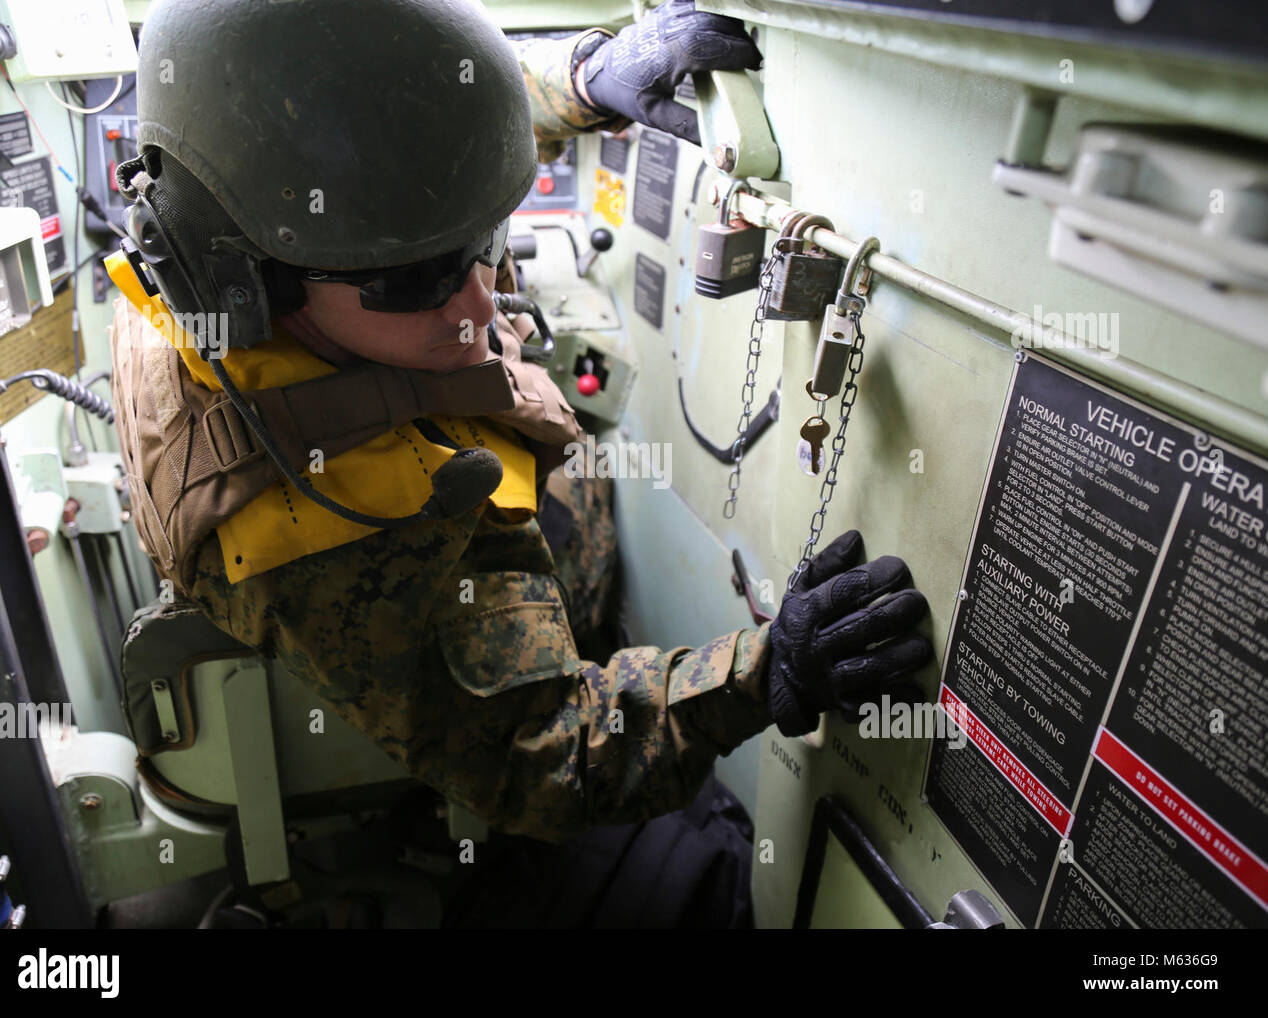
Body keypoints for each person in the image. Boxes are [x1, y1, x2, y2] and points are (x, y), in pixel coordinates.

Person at [109, 0, 934, 845]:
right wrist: (765, 673)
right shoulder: (323, 534)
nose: (480, 305)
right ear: (244, 285)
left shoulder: (236, 211)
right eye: (418, 280)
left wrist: (587, 79)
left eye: (484, 242)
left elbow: (398, 128)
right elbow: (551, 761)